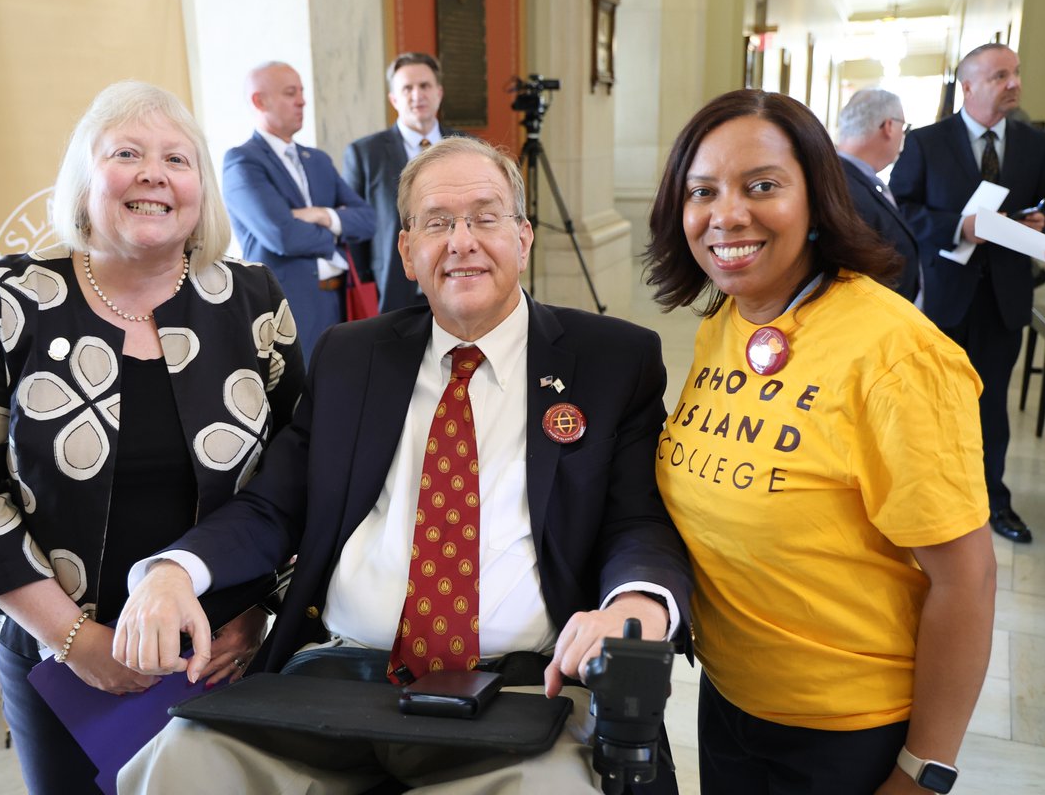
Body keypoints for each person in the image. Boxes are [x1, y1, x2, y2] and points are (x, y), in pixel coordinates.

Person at [115, 136, 692, 794]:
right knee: (184, 763)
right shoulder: (349, 356)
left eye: (485, 217)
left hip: (519, 693)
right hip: (337, 683)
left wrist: (637, 601)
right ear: (408, 254)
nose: (462, 241)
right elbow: (272, 505)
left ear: (524, 239)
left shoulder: (611, 361)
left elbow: (637, 523)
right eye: (438, 223)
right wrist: (172, 572)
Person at [0, 81, 305, 795]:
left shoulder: (252, 299)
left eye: (177, 159)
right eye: (127, 153)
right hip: (61, 660)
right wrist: (78, 641)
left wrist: (259, 614)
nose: (154, 172)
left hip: (226, 652)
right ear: (86, 178)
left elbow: (300, 469)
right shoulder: (8, 300)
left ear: (201, 189)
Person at [645, 89, 996, 794]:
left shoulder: (893, 353)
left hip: (848, 736)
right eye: (702, 191)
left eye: (762, 186)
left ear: (817, 200)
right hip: (731, 705)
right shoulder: (727, 324)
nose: (726, 215)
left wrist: (922, 769)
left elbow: (967, 578)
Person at [890, 43, 1045, 544]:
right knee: (933, 403)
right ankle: (925, 501)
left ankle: (992, 504)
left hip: (1005, 295)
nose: (1014, 84)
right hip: (943, 295)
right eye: (1001, 75)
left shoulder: (1034, 142)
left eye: (1016, 74)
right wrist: (961, 226)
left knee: (991, 404)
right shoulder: (928, 142)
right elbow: (902, 209)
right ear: (970, 86)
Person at [223, 61, 376, 363]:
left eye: (302, 91)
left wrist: (321, 215)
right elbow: (283, 235)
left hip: (340, 300)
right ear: (259, 101)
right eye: (291, 93)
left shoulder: (317, 160)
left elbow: (369, 219)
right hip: (288, 305)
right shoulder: (243, 162)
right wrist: (336, 230)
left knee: (344, 391)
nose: (302, 100)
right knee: (300, 402)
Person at [343, 52, 469, 312]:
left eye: (424, 86)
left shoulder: (469, 147)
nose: (417, 95)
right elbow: (354, 231)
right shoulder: (365, 153)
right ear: (393, 98)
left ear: (439, 92)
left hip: (458, 279)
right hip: (390, 289)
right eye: (407, 88)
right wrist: (368, 281)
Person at [836, 88, 921, 304]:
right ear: (889, 126)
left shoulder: (850, 176)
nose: (904, 135)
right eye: (905, 127)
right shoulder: (843, 186)